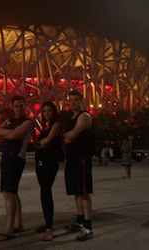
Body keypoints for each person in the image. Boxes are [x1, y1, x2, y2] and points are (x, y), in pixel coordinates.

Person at [0, 95, 34, 242]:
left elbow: (13, 135)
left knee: (8, 192)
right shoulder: (11, 120)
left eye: (21, 106)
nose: (18, 108)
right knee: (13, 192)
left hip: (15, 158)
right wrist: (9, 133)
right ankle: (19, 223)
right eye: (16, 106)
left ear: (26, 106)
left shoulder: (28, 122)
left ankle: (9, 229)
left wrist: (8, 133)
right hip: (7, 157)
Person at [63, 90, 94, 241]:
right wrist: (67, 137)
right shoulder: (71, 117)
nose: (73, 103)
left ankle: (88, 227)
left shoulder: (84, 116)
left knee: (84, 191)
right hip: (72, 158)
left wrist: (66, 136)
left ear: (82, 101)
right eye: (71, 100)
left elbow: (72, 135)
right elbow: (67, 138)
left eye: (76, 100)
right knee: (76, 191)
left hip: (81, 158)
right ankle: (79, 220)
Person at [34, 101, 62, 241]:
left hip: (49, 162)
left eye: (49, 111)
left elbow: (45, 142)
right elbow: (40, 142)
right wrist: (39, 143)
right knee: (44, 191)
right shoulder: (45, 126)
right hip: (40, 162)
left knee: (46, 191)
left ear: (54, 111)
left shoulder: (56, 125)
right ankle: (47, 223)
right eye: (44, 111)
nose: (47, 113)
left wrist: (39, 143)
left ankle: (50, 228)